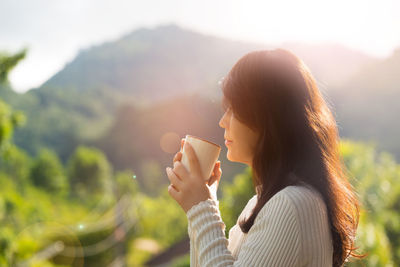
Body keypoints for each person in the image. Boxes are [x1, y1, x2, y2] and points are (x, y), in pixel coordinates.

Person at [165, 48, 362, 266]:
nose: (223, 121)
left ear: (267, 117)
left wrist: (202, 209)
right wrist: (201, 207)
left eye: (234, 109)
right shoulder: (263, 203)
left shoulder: (291, 204)